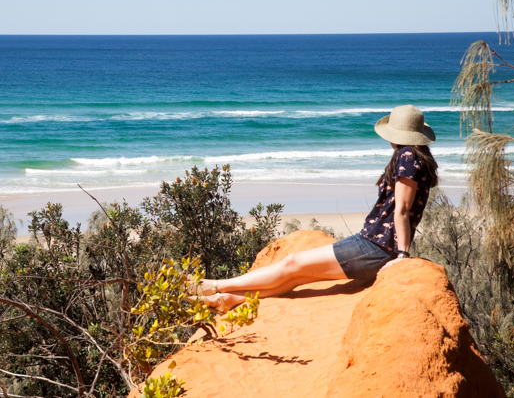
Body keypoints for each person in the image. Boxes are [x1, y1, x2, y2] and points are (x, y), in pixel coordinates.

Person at [187, 105, 439, 314]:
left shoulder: (406, 156)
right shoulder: (417, 158)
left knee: (292, 263)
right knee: (297, 277)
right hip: (374, 245)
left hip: (376, 247)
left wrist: (402, 256)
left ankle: (212, 285)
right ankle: (230, 299)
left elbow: (403, 210)